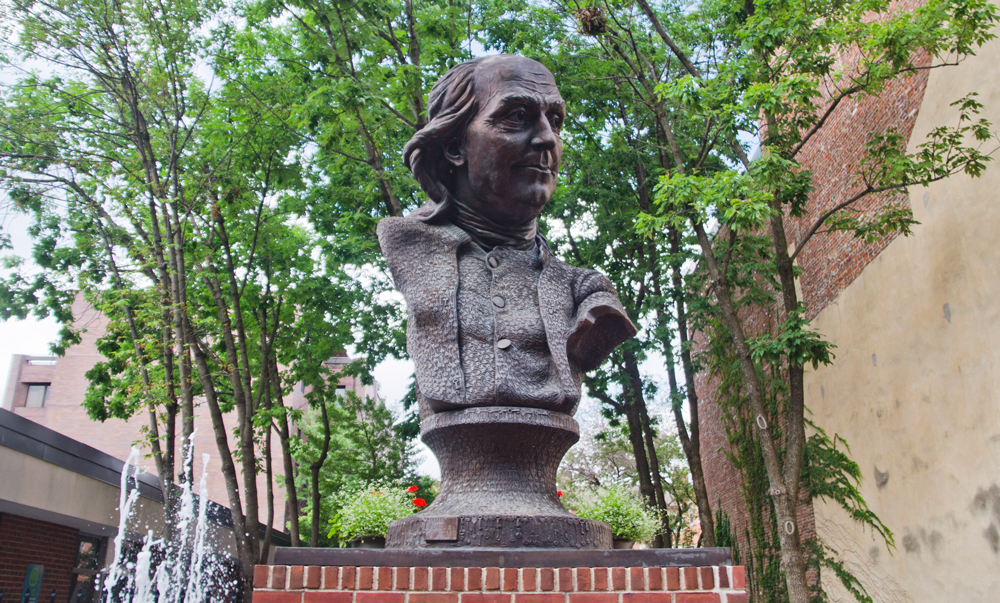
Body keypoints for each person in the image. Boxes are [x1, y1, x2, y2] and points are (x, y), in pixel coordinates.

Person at [377, 55, 636, 418]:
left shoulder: (585, 289)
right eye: (517, 117)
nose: (548, 138)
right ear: (454, 146)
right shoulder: (411, 248)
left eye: (556, 120)